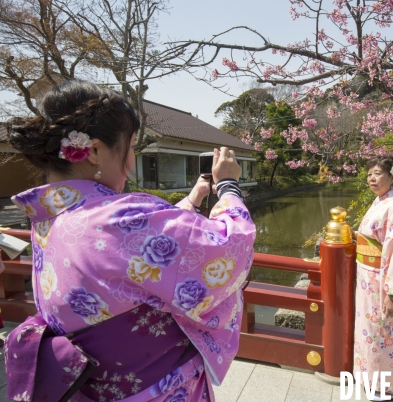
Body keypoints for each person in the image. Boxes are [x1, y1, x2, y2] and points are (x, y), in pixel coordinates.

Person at [5, 79, 255, 402]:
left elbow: (129, 258)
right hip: (155, 392)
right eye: (131, 145)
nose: (132, 159)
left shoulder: (49, 219)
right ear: (94, 151)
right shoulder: (117, 219)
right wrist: (229, 188)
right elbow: (230, 249)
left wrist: (190, 202)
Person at [352, 156, 393, 401]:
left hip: (382, 281)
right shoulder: (381, 201)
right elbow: (376, 237)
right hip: (367, 277)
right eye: (369, 173)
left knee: (382, 332)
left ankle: (384, 389)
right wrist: (356, 235)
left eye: (378, 173)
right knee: (370, 330)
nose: (372, 178)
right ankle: (370, 381)